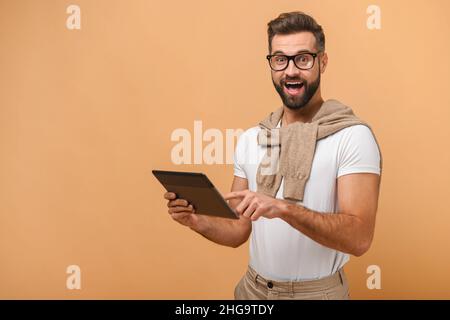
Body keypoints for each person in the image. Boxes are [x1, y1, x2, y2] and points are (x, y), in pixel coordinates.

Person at [163, 11, 382, 300]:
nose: (291, 70)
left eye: (303, 58)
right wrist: (196, 221)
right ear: (271, 64)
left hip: (315, 295)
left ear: (322, 62)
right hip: (252, 290)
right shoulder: (253, 139)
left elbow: (359, 238)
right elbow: (239, 228)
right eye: (280, 59)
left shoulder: (352, 136)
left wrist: (284, 208)